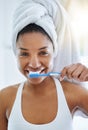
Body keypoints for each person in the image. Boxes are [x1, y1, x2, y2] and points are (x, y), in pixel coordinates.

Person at [0, 0, 88, 130]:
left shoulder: (72, 94)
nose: (34, 64)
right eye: (24, 54)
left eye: (43, 53)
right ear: (15, 54)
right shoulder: (5, 98)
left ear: (54, 52)